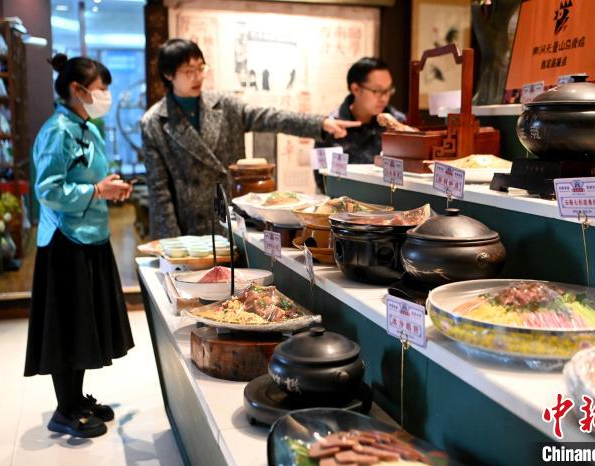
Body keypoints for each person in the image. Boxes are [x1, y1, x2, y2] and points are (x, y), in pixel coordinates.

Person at [141, 39, 359, 239]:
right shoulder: (154, 123)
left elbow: (270, 117)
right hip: (189, 230)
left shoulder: (224, 105)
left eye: (201, 68)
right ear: (168, 75)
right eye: (189, 71)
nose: (198, 77)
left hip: (233, 221)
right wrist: (174, 244)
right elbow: (159, 192)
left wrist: (319, 124)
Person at [24, 54, 135, 438]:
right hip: (65, 241)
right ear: (78, 89)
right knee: (67, 325)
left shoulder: (87, 126)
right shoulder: (57, 131)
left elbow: (90, 178)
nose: (106, 96)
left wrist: (109, 187)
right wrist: (98, 191)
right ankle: (65, 408)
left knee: (84, 324)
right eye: (102, 89)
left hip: (91, 235)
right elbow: (48, 190)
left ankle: (76, 398)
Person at [314, 57, 406, 191]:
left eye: (388, 90)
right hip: (344, 201)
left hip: (393, 200)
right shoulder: (330, 127)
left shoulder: (399, 123)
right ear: (355, 88)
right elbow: (323, 181)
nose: (385, 98)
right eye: (377, 91)